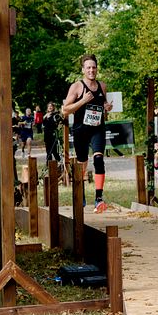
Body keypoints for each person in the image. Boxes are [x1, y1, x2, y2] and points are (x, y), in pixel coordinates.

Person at [62, 54, 113, 213]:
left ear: (97, 69)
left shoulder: (102, 86)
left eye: (94, 67)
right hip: (81, 130)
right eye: (88, 67)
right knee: (82, 164)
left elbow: (103, 108)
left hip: (97, 128)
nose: (92, 70)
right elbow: (65, 110)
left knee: (99, 159)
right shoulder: (76, 87)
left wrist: (106, 108)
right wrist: (83, 100)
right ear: (83, 70)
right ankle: (81, 194)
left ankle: (99, 198)